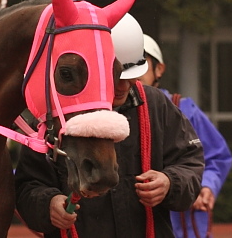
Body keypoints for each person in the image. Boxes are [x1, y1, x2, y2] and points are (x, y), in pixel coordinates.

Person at [15, 13, 204, 238]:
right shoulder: (56, 112)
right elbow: (27, 186)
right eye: (116, 77)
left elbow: (190, 162)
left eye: (131, 76)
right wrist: (48, 205)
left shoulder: (156, 106)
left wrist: (169, 183)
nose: (124, 86)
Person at [140, 34, 232, 238]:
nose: (134, 71)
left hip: (183, 221)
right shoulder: (110, 113)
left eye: (141, 62)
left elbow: (217, 156)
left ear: (159, 69)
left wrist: (206, 185)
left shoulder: (184, 109)